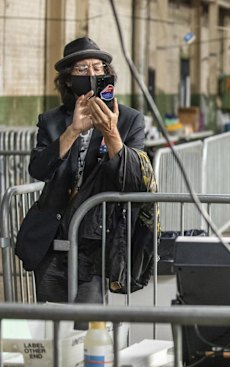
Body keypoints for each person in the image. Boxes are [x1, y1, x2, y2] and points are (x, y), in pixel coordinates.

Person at [15, 37, 154, 304]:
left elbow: (135, 179)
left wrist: (110, 132)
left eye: (97, 68)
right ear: (68, 80)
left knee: (88, 324)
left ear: (107, 74)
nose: (91, 74)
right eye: (81, 70)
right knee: (54, 323)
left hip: (97, 238)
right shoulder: (52, 120)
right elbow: (39, 169)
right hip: (53, 238)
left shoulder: (128, 119)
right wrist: (73, 131)